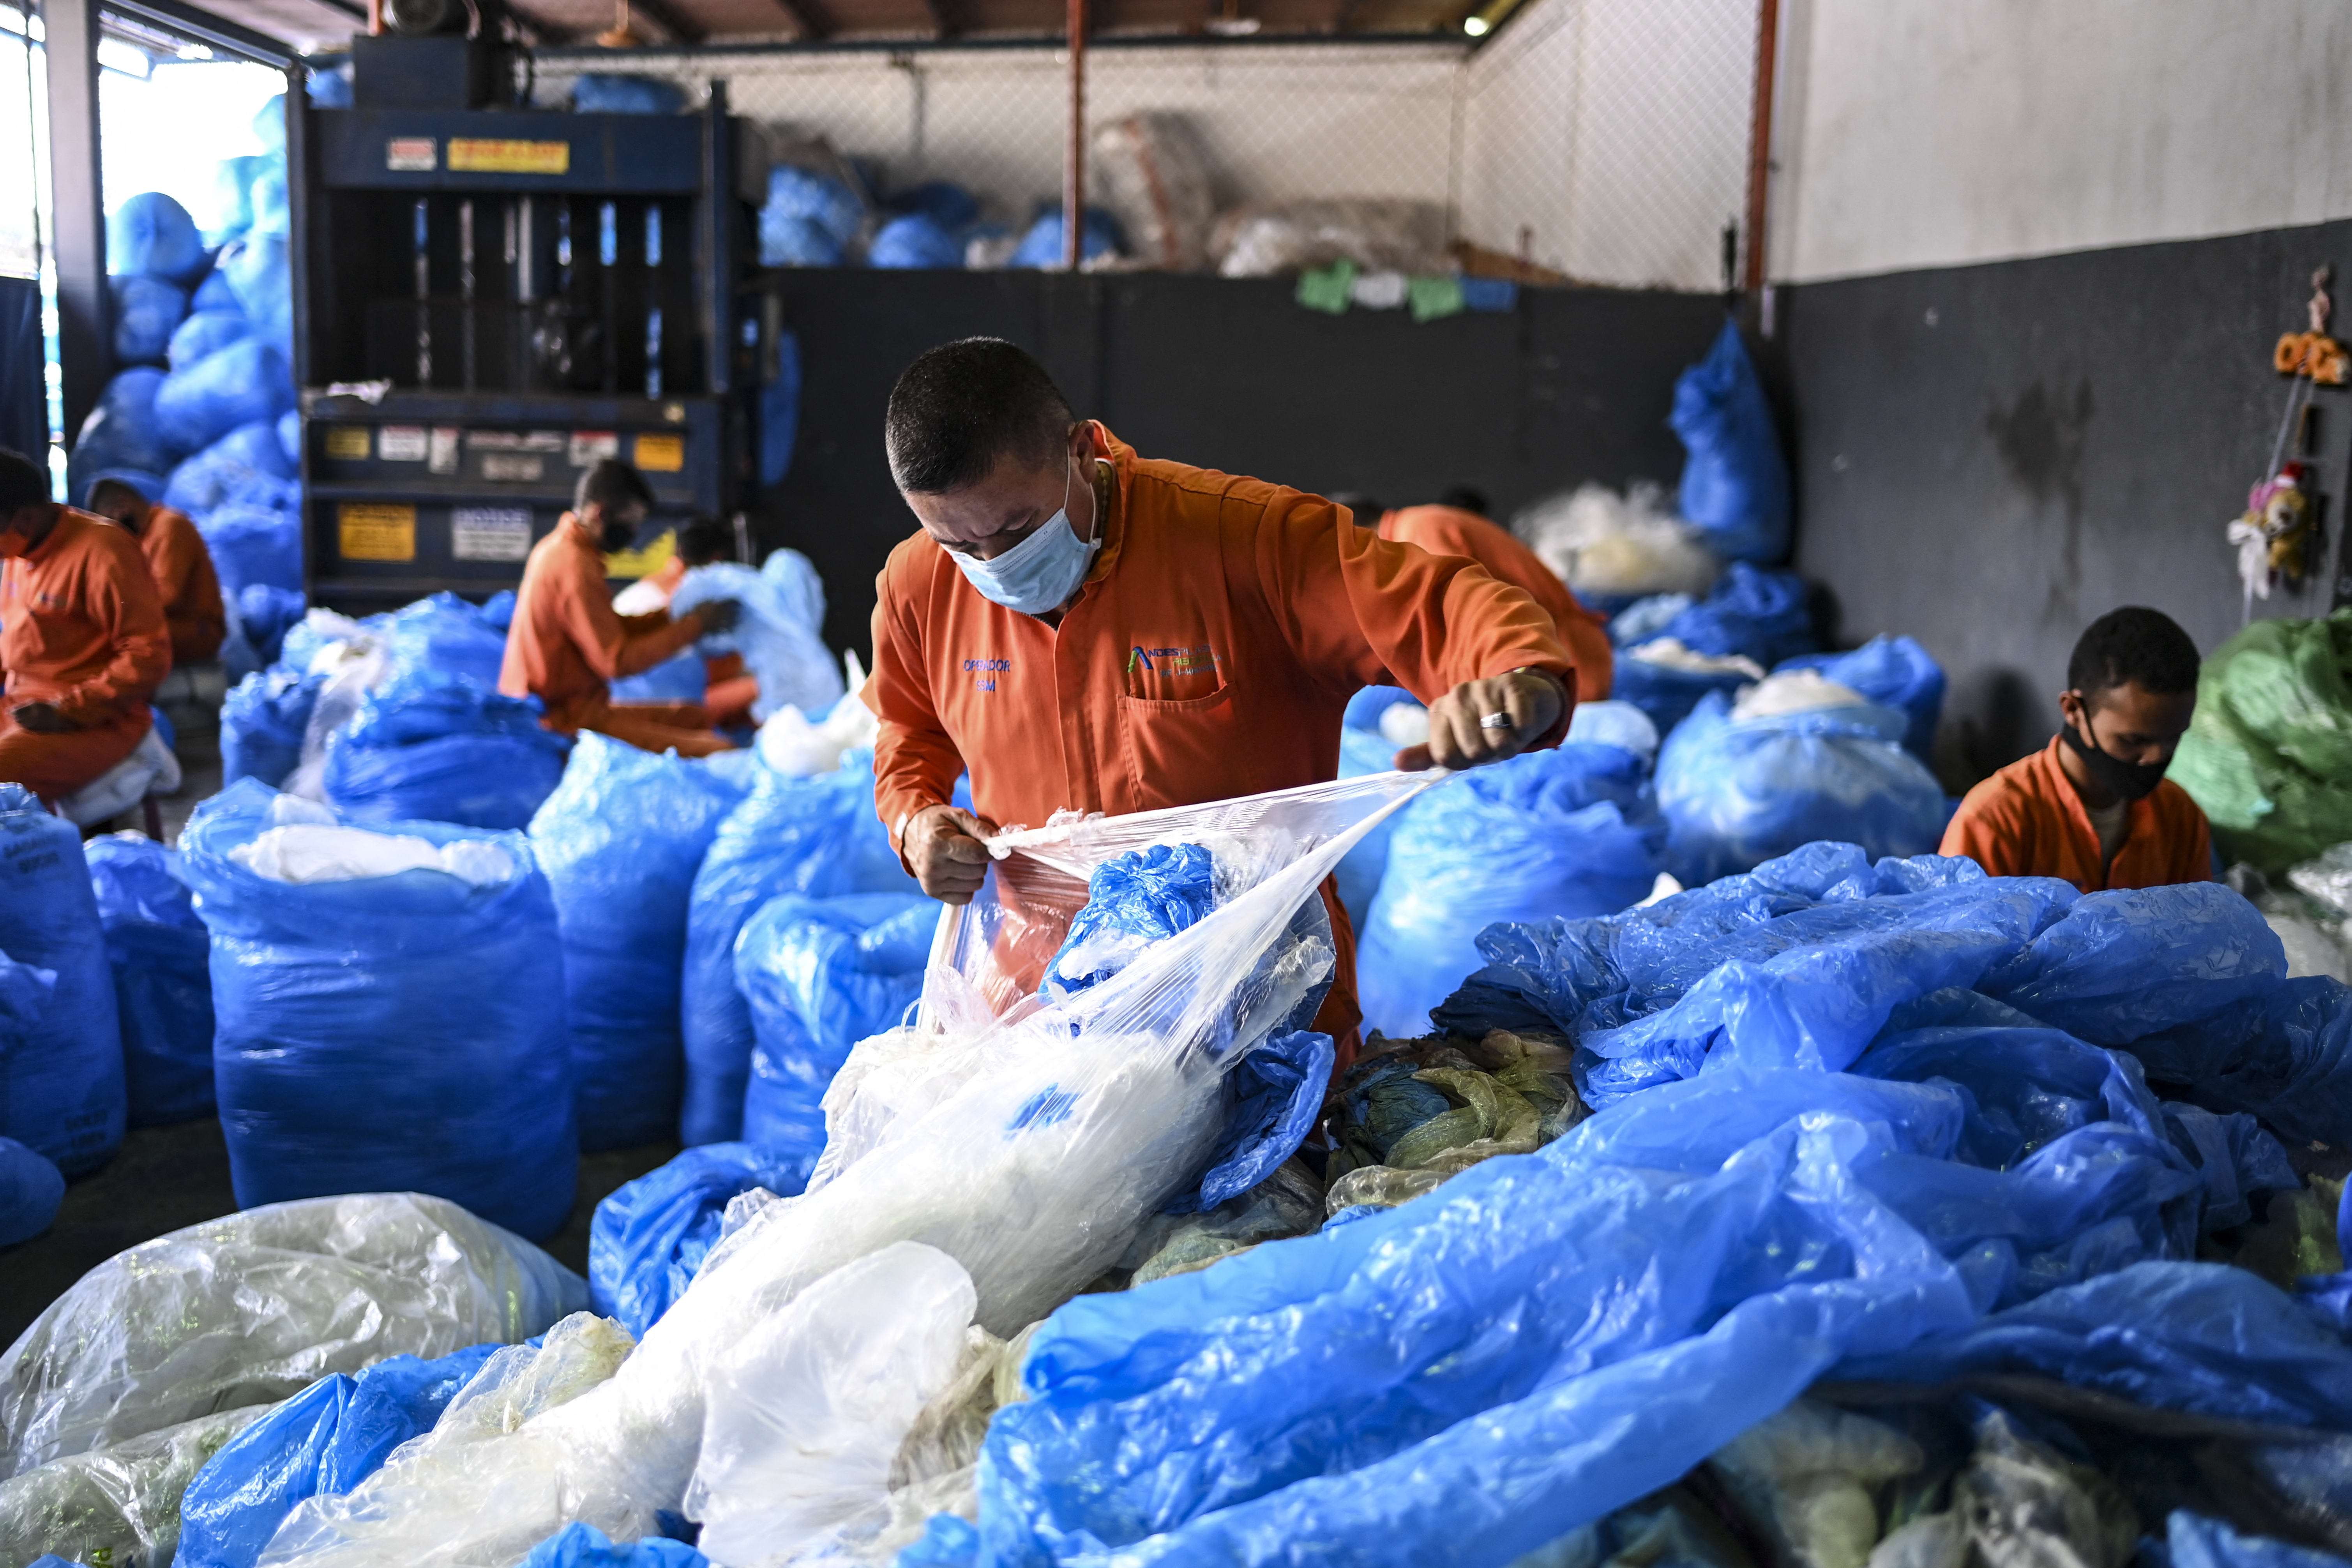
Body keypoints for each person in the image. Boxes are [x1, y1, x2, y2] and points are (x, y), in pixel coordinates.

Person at [866, 339, 1581, 1065]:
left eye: (1018, 529)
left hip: (1258, 1010)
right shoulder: (918, 585)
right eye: (958, 540)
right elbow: (906, 726)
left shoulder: (1240, 541)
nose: (995, 564)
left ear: (1082, 452)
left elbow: (1434, 601)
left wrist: (1516, 677)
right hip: (1044, 1016)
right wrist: (916, 820)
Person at [1941, 606, 2211, 892]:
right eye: (2134, 741)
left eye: (2173, 738)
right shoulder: (1996, 821)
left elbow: (2203, 929)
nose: (2158, 757)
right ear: (2074, 711)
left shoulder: (2180, 819)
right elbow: (1958, 932)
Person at [498, 459, 741, 757]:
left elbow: (610, 627)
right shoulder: (574, 567)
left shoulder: (563, 550)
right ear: (601, 513)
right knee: (721, 750)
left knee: (695, 716)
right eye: (631, 522)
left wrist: (669, 618)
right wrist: (694, 627)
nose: (635, 531)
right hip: (562, 719)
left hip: (581, 706)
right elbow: (616, 662)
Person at [0, 449, 172, 803]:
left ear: (24, 519)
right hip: (22, 704)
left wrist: (68, 711)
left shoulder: (104, 549)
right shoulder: (18, 554)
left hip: (94, 719)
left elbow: (148, 655)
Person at [1335, 491, 1615, 702]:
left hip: (1556, 662)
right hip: (1551, 658)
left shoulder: (1415, 531)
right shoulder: (1420, 523)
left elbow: (1454, 618)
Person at [609, 514, 760, 725]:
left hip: (616, 707)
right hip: (662, 714)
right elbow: (719, 676)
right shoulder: (696, 604)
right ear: (716, 561)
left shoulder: (639, 591)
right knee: (766, 688)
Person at [83, 476, 225, 667]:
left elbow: (167, 597)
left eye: (110, 523)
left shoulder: (170, 526)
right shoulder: (141, 538)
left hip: (197, 631)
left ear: (122, 506)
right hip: (170, 627)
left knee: (114, 640)